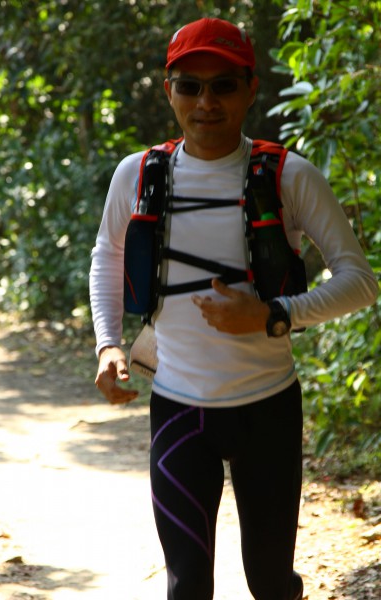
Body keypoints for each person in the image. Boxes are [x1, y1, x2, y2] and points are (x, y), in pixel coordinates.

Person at [89, 17, 378, 600]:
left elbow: (360, 281)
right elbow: (106, 256)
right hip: (178, 409)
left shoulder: (288, 176)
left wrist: (274, 314)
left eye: (223, 85)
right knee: (187, 585)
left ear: (250, 89)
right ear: (168, 90)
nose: (206, 102)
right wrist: (108, 343)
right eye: (189, 86)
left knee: (270, 582)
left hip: (268, 409)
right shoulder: (138, 175)